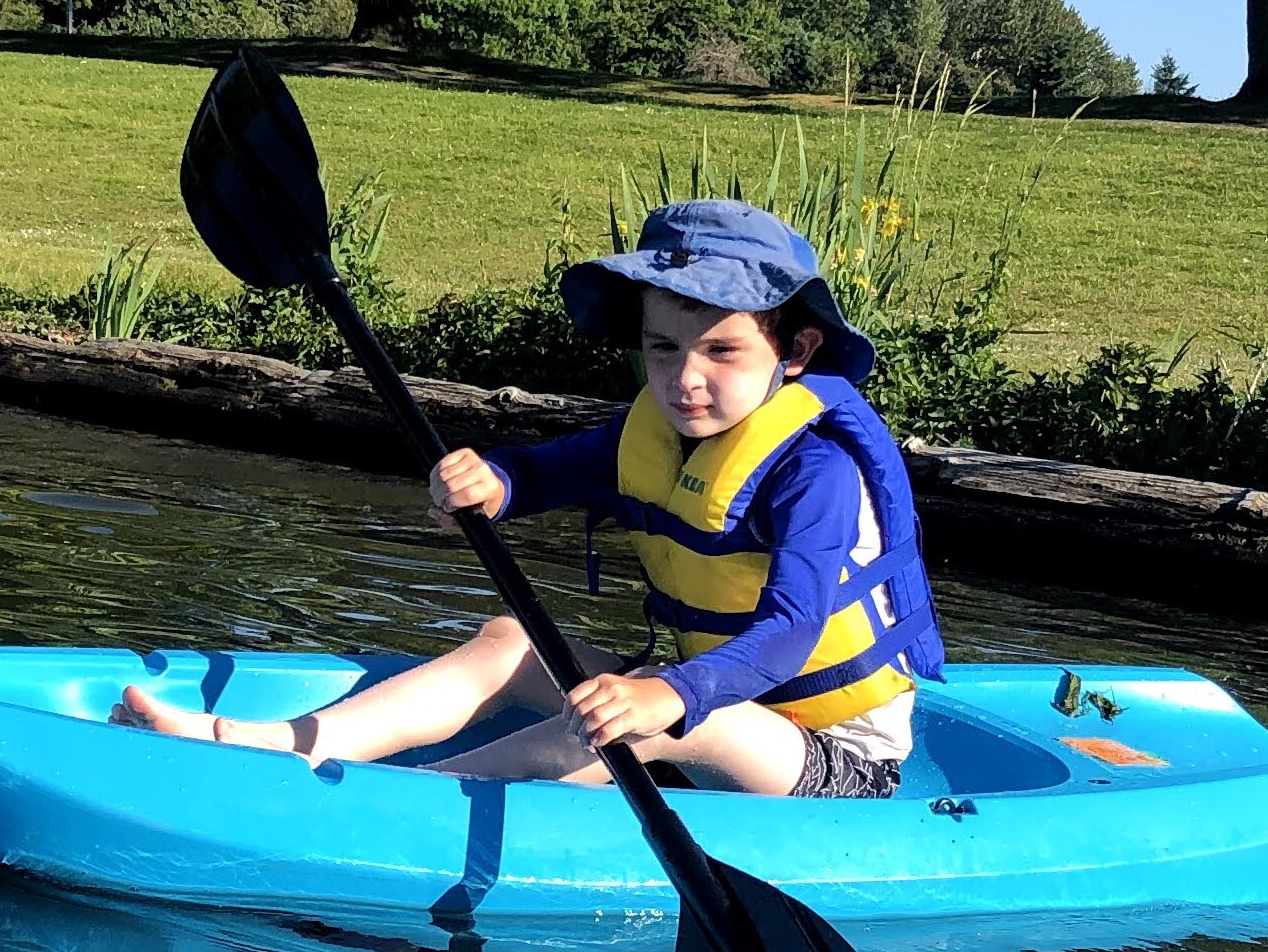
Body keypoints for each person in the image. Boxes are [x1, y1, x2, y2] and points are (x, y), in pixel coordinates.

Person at [115, 197, 943, 797]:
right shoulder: (653, 435)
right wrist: (494, 480)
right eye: (661, 349)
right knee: (510, 638)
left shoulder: (817, 471)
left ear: (794, 350)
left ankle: (410, 801)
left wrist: (670, 692)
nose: (685, 380)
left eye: (722, 351)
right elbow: (543, 471)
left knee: (654, 716)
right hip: (701, 705)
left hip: (830, 762)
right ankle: (271, 746)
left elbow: (791, 634)